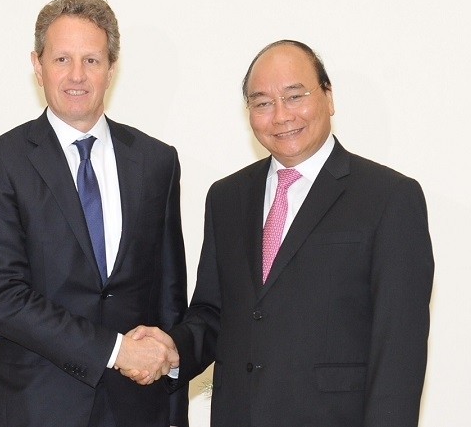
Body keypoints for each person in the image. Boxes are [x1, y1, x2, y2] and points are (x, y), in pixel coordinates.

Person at [129, 40, 434, 426]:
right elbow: (213, 313)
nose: (280, 115)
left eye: (294, 96)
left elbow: (399, 350)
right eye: (262, 103)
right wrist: (173, 349)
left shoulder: (389, 198)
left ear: (328, 96)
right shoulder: (227, 197)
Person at [0, 0, 188, 427]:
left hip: (136, 409)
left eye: (92, 60)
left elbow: (169, 299)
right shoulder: (1, 161)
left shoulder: (157, 161)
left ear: (111, 67)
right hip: (33, 408)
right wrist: (116, 350)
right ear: (38, 65)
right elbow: (4, 298)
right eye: (62, 59)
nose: (76, 75)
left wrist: (173, 409)